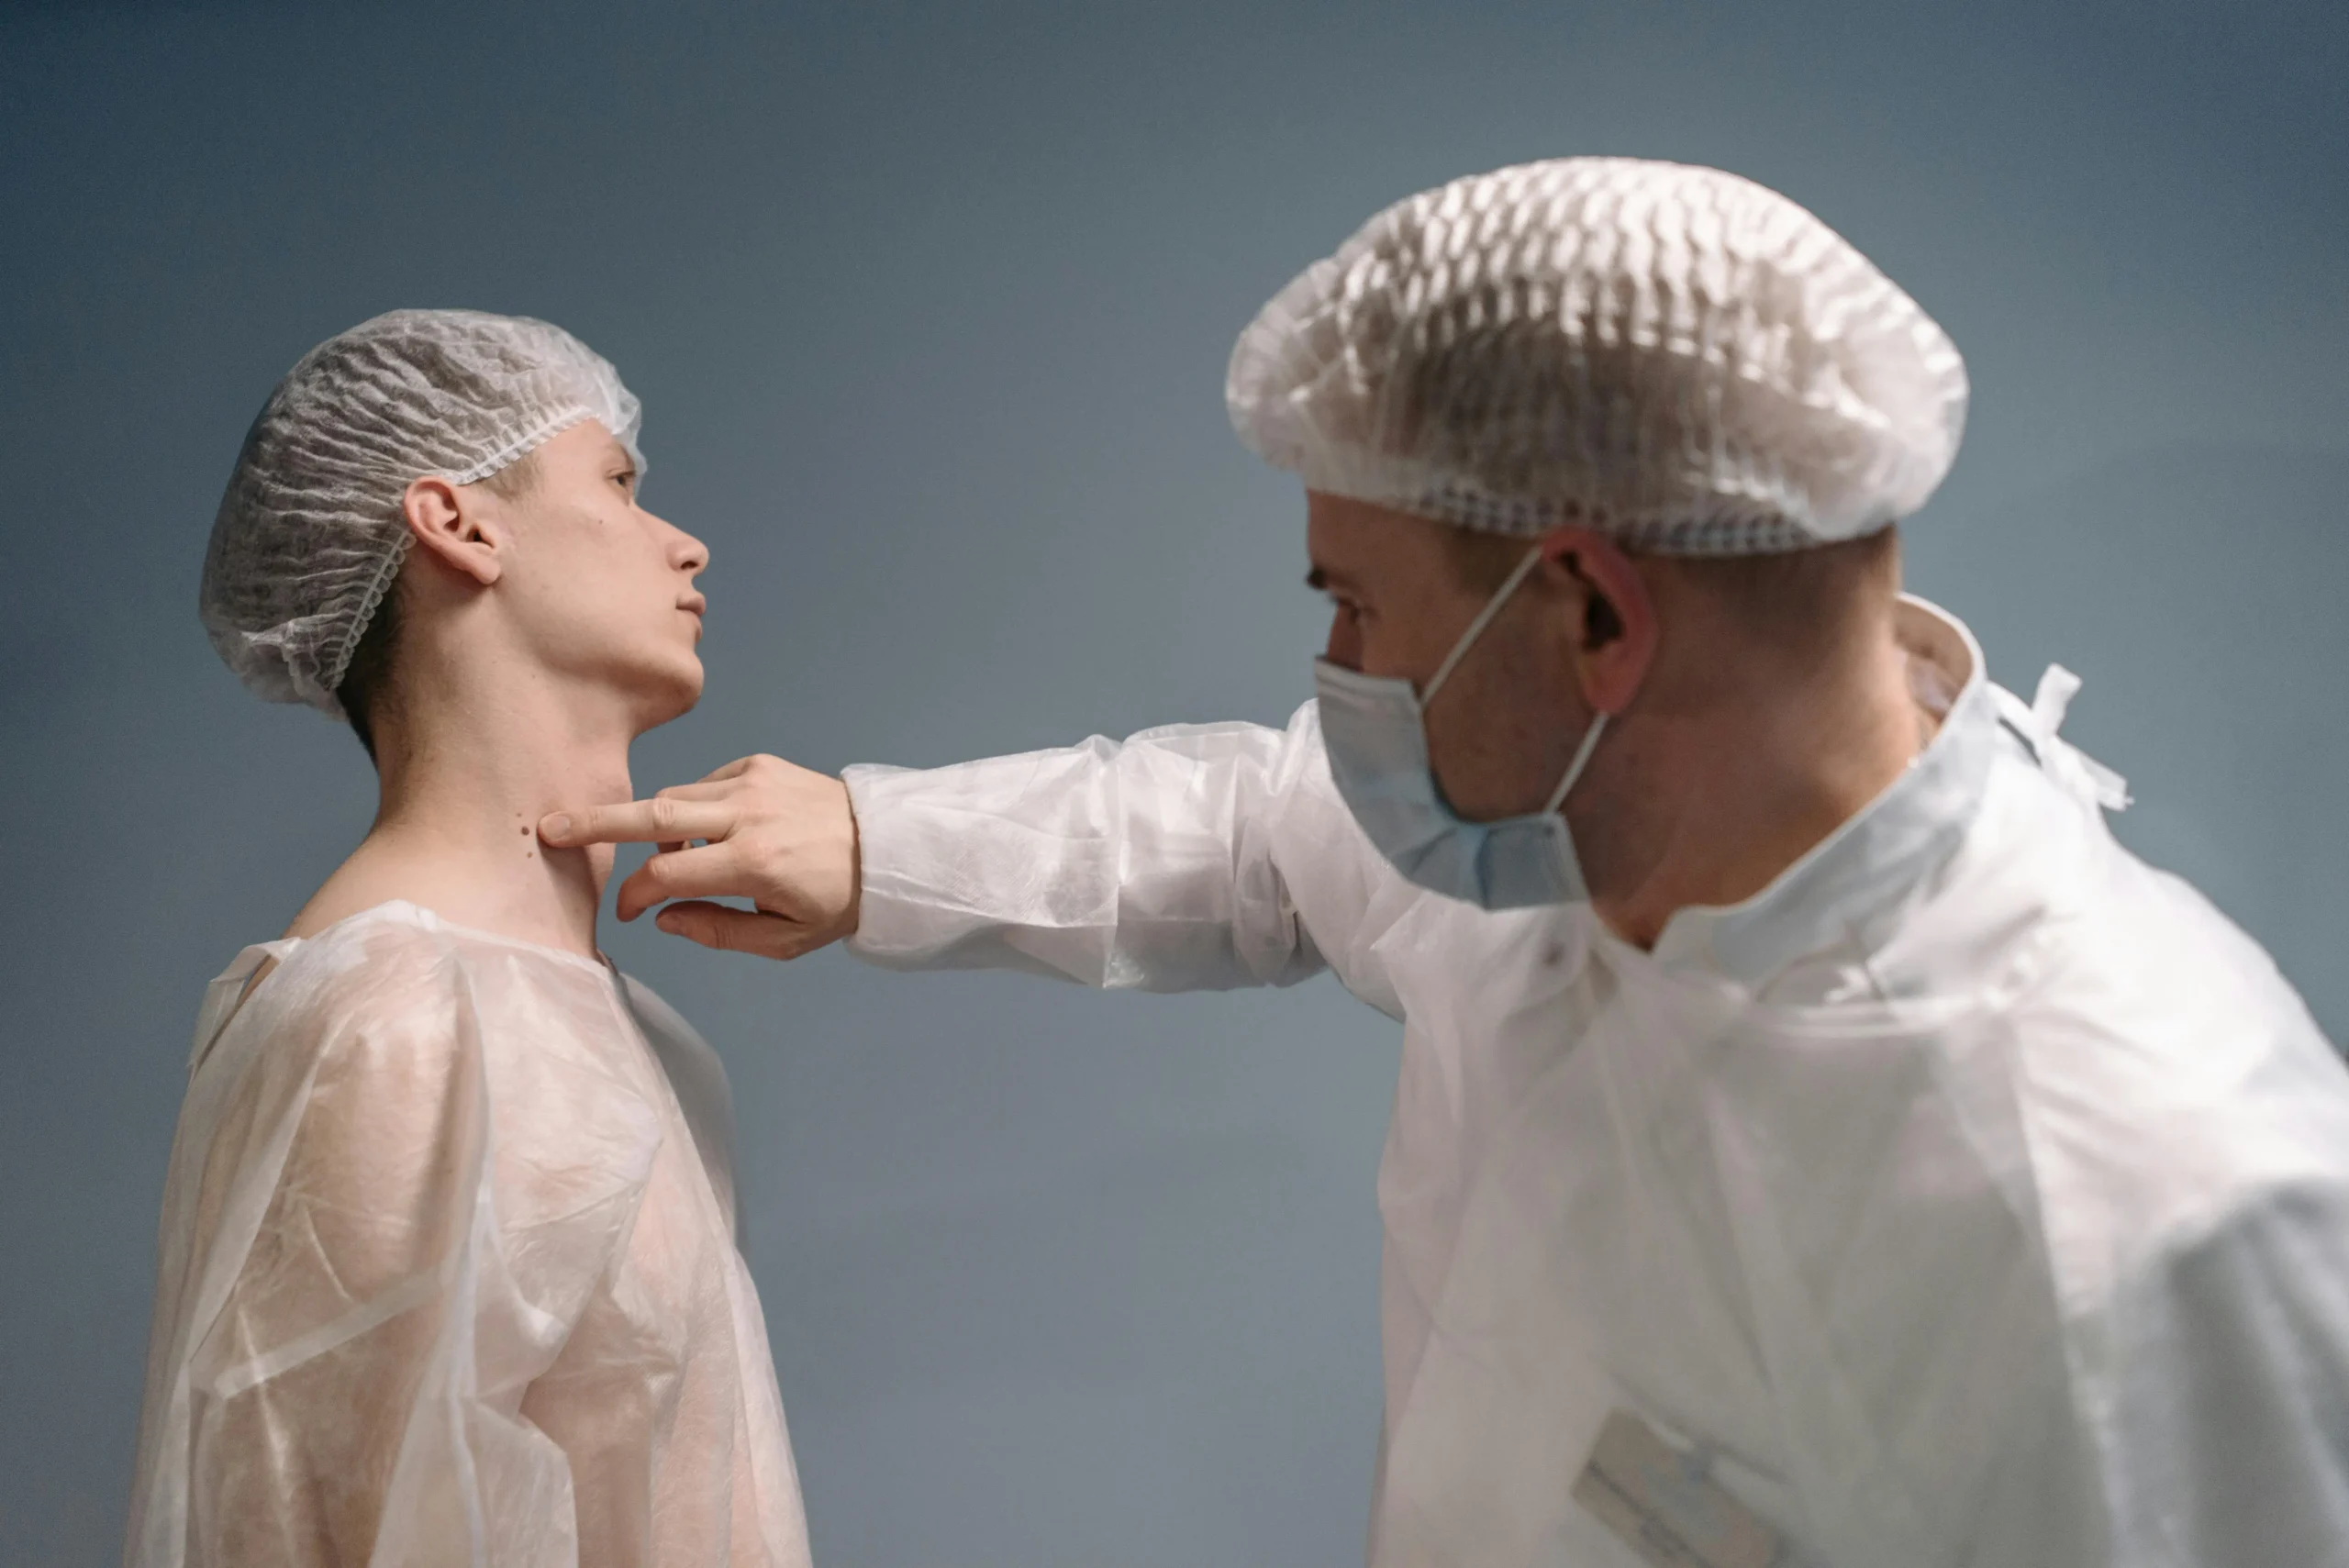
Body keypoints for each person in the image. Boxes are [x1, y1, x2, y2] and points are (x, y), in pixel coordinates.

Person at [547, 158, 2349, 1565]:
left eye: (1356, 606)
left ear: (1586, 609)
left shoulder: (2145, 1191)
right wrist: (880, 839)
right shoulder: (1579, 831)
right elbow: (1260, 826)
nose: (1336, 684)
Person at [128, 311, 811, 1568]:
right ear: (459, 524)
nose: (686, 542)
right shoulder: (396, 1021)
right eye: (616, 481)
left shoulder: (602, 1023)